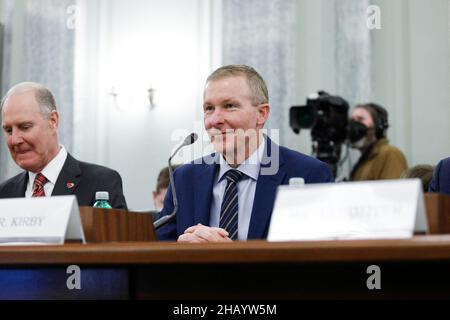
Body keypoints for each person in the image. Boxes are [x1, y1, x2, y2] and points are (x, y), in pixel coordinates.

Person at [157, 64, 333, 242]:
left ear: (261, 114)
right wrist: (180, 252)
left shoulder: (310, 174)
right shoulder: (184, 179)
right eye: (209, 108)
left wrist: (233, 258)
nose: (215, 120)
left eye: (230, 106)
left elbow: (315, 262)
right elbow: (157, 255)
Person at [0, 82, 127, 209]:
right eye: (8, 130)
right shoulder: (4, 193)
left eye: (25, 127)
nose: (15, 140)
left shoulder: (101, 182)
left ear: (53, 121)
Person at [348, 103, 407, 181]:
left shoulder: (390, 154)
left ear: (378, 126)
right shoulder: (365, 160)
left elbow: (395, 191)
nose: (354, 125)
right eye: (352, 120)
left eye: (360, 119)